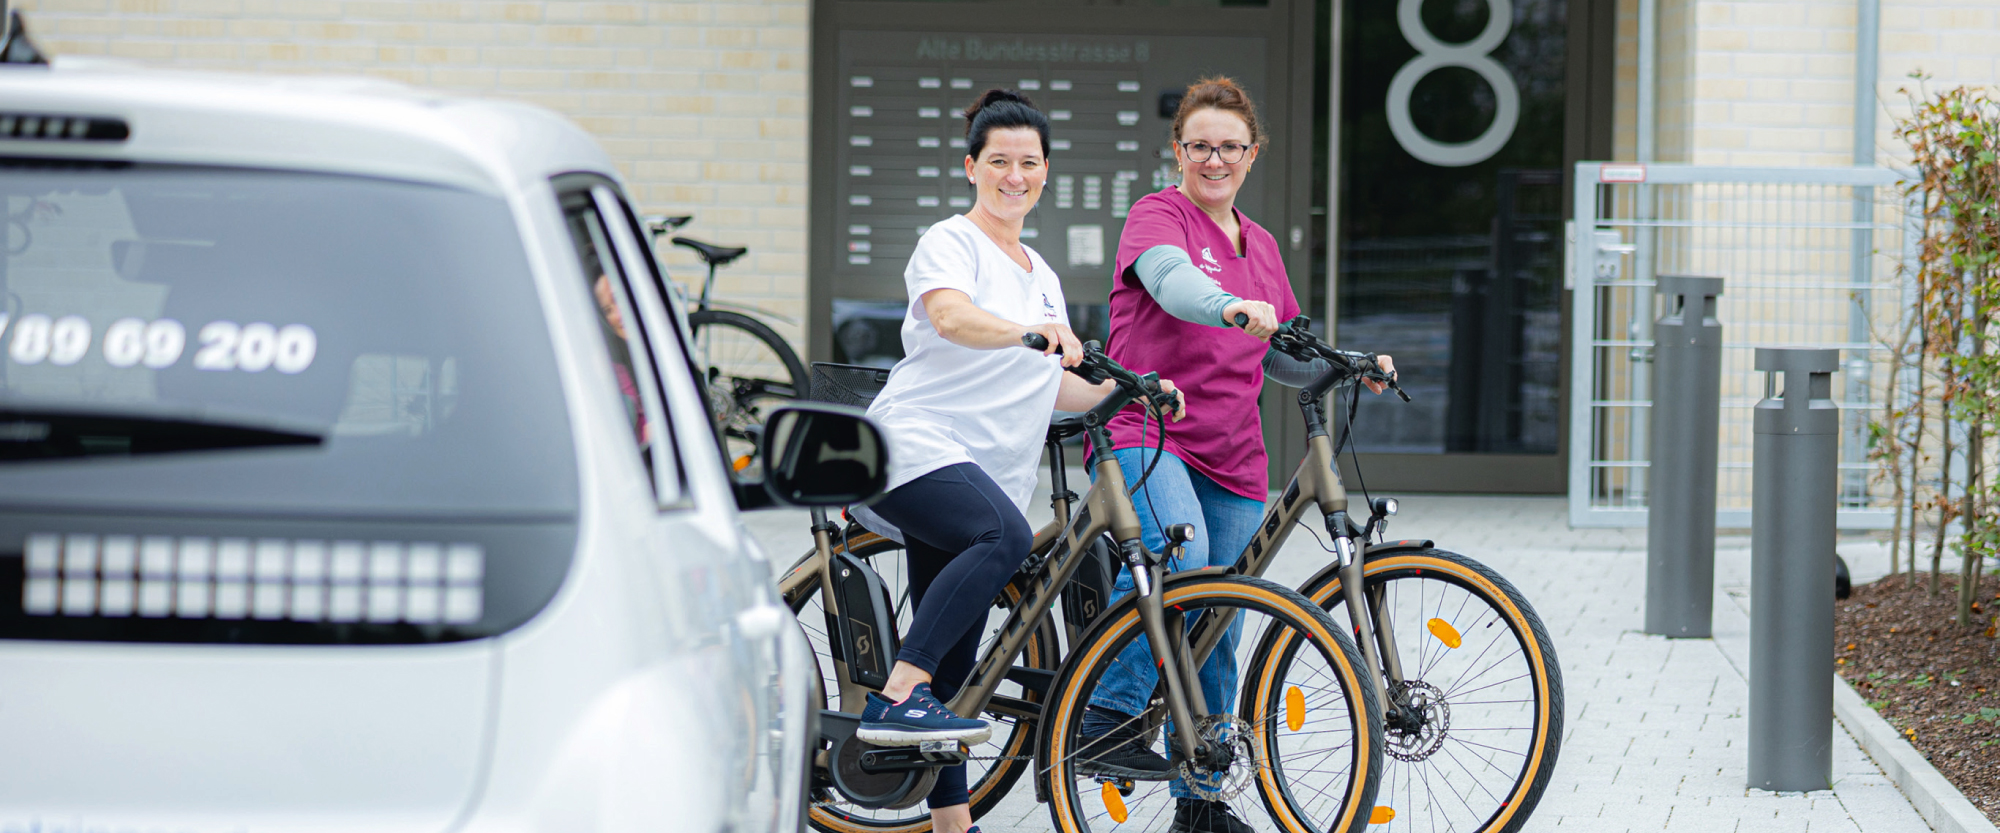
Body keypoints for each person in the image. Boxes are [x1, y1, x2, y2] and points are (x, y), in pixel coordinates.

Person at [847, 89, 1183, 833]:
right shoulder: (950, 242)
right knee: (1001, 539)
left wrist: (1131, 389)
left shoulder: (1041, 273)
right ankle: (897, 691)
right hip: (914, 448)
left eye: (1027, 163)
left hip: (983, 477)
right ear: (972, 168)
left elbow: (1056, 381)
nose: (1013, 175)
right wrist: (1026, 331)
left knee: (958, 677)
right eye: (998, 161)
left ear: (1044, 174)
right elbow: (951, 317)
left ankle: (951, 821)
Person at [1077, 76, 1395, 833]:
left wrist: (1347, 362)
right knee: (1182, 570)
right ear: (1177, 151)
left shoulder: (1262, 245)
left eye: (1228, 147)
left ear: (1252, 155)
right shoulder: (1158, 216)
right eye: (1198, 146)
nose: (1212, 159)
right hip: (1148, 436)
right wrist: (1227, 305)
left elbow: (1279, 351)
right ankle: (1108, 715)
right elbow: (1175, 285)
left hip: (1233, 456)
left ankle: (1202, 804)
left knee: (1222, 624)